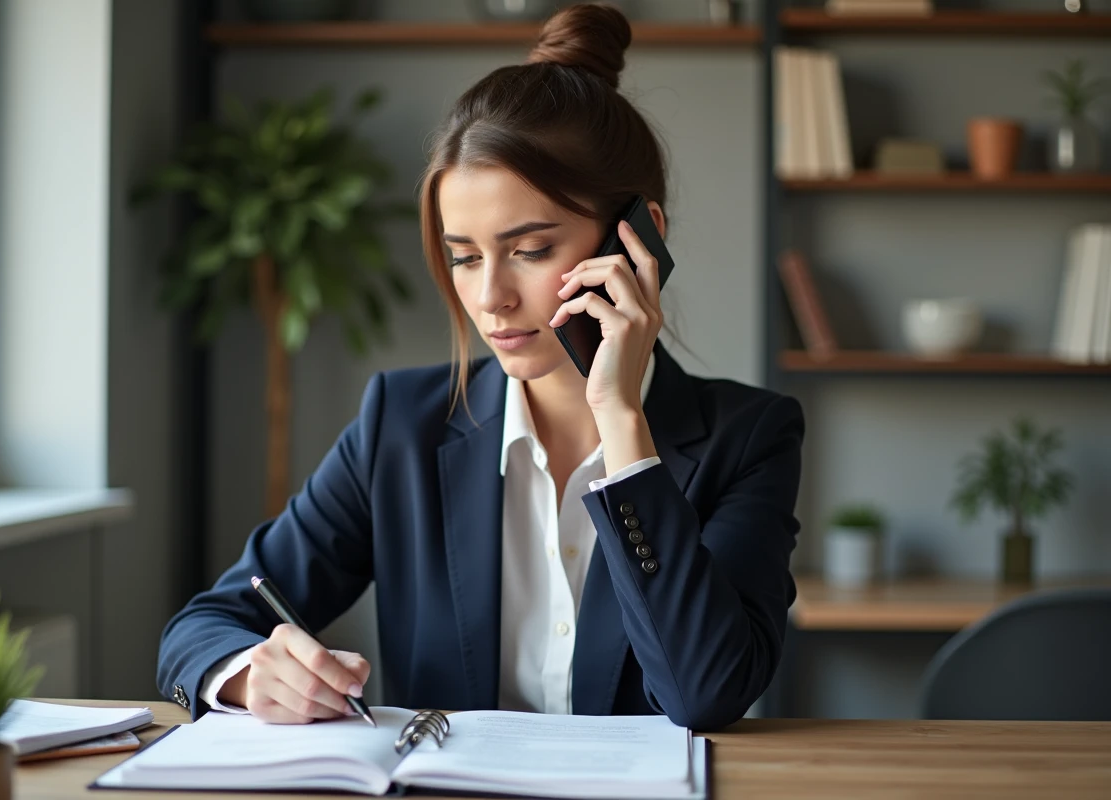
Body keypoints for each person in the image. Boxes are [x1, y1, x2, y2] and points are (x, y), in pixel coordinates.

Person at [157, 2, 803, 733]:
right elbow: (205, 625)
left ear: (638, 242)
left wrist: (623, 426)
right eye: (464, 256)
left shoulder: (749, 438)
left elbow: (706, 693)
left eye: (529, 251)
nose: (490, 297)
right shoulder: (400, 426)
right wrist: (247, 675)